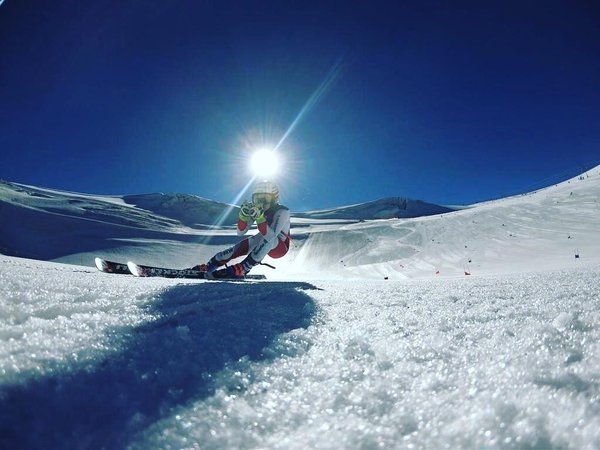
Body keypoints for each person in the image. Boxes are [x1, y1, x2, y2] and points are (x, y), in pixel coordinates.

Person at [196, 180, 291, 279]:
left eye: (265, 199)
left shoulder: (283, 211)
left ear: (274, 199)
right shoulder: (256, 208)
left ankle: (243, 268)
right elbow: (240, 232)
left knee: (269, 240)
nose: (261, 203)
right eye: (257, 199)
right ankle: (209, 266)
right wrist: (243, 217)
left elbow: (271, 236)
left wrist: (259, 218)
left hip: (280, 246)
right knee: (235, 249)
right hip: (264, 238)